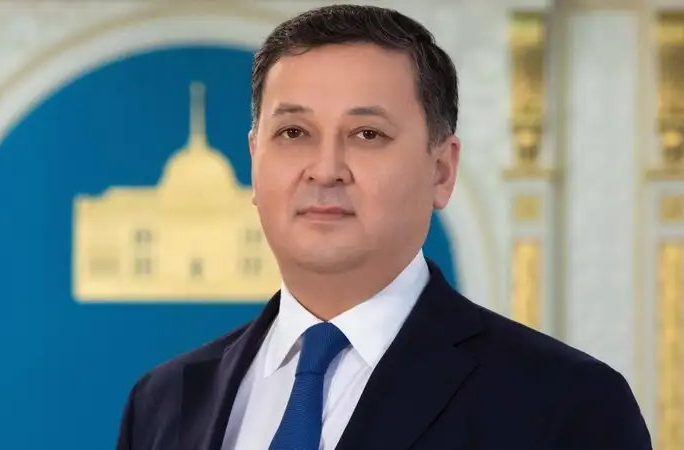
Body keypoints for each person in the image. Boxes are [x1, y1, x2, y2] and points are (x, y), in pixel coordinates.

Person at [116, 4, 652, 450]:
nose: (325, 169)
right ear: (255, 160)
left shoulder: (565, 404)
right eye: (294, 132)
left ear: (441, 171)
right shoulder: (163, 402)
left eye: (367, 134)